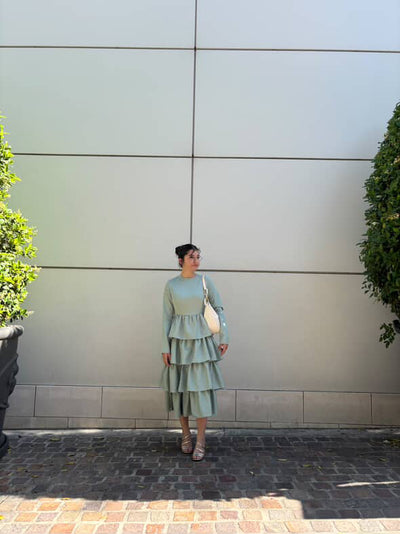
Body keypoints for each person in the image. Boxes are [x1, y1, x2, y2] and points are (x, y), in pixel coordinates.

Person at [159, 244, 229, 461]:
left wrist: (224, 336)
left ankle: (201, 440)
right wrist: (164, 346)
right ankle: (186, 435)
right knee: (180, 391)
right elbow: (166, 317)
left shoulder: (205, 282)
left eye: (198, 256)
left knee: (201, 392)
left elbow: (219, 309)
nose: (196, 260)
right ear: (181, 260)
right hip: (179, 345)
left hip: (201, 346)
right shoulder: (171, 285)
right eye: (191, 257)